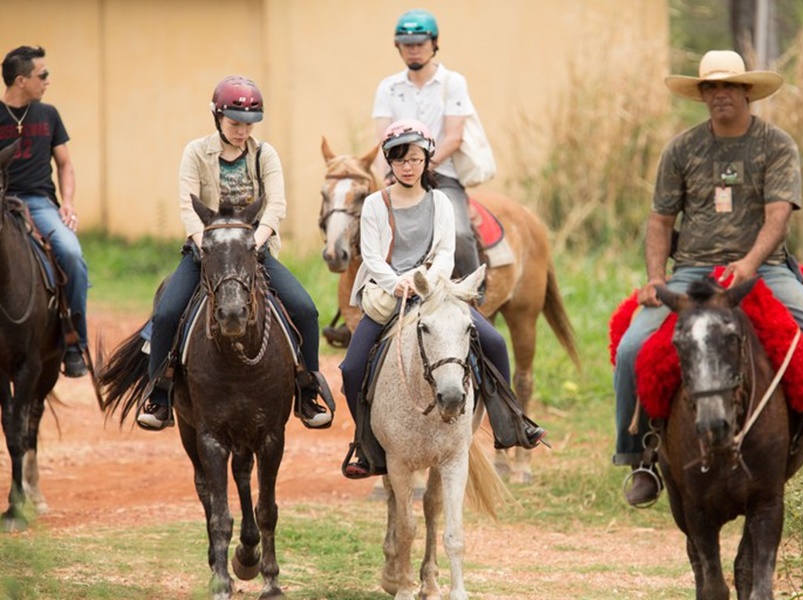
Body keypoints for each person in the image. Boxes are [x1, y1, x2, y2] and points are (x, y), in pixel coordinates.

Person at [614, 50, 803, 506]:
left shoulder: (776, 144)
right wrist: (655, 278)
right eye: (711, 86)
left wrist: (750, 261)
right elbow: (660, 221)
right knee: (631, 348)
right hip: (692, 270)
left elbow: (778, 215)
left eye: (728, 85)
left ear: (747, 91)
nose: (719, 93)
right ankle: (638, 457)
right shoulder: (681, 149)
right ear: (702, 94)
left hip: (763, 268)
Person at [341, 119, 544, 479]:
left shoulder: (441, 202)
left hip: (434, 291)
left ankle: (509, 423)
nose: (407, 166)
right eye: (400, 159)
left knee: (495, 342)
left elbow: (446, 254)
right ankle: (366, 444)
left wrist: (428, 283)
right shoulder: (374, 204)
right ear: (389, 161)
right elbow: (371, 256)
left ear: (426, 160)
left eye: (415, 159)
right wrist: (397, 283)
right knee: (351, 368)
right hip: (388, 292)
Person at [136, 75, 329, 430]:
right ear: (217, 117)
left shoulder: (264, 154)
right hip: (206, 251)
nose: (242, 131)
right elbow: (188, 208)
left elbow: (276, 206)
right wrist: (206, 246)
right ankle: (159, 394)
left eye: (248, 125)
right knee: (165, 314)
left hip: (253, 252)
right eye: (235, 123)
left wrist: (254, 244)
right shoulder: (196, 152)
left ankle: (308, 389)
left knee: (305, 310)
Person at [372, 8, 482, 283]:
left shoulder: (452, 82)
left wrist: (421, 167)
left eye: (420, 44)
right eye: (407, 45)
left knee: (460, 232)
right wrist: (385, 176)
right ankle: (366, 296)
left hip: (443, 174)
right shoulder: (388, 87)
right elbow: (381, 139)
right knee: (368, 229)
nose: (413, 51)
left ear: (434, 43)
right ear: (398, 46)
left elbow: (454, 137)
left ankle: (474, 292)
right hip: (398, 176)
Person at [0, 45, 88, 378]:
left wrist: (67, 202)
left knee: (71, 254)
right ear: (21, 80)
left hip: (39, 203)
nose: (48, 81)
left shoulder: (49, 115)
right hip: (1, 201)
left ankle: (74, 344)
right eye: (43, 75)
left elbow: (65, 165)